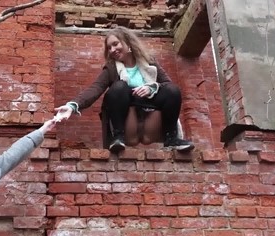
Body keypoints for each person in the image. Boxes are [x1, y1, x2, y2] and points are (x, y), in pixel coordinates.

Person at [54, 26, 194, 153]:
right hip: (126, 112)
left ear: (128, 43)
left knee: (173, 90)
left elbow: (167, 85)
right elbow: (95, 88)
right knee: (119, 87)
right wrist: (72, 105)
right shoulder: (112, 67)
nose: (112, 50)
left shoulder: (149, 62)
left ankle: (171, 139)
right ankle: (118, 137)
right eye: (109, 48)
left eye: (115, 44)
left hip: (150, 111)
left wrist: (152, 88)